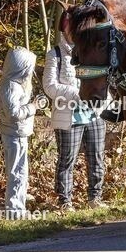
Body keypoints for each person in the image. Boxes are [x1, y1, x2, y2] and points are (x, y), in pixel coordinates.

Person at [43, 12, 106, 211]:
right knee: (67, 157)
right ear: (65, 30)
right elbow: (49, 86)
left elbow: (103, 78)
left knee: (96, 155)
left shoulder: (90, 49)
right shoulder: (56, 54)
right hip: (68, 115)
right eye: (72, 29)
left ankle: (95, 197)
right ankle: (65, 200)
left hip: (93, 113)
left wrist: (103, 102)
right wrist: (76, 93)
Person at [0, 47, 38, 219]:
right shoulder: (11, 87)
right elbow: (14, 114)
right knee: (17, 173)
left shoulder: (14, 85)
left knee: (21, 172)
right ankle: (14, 209)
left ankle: (17, 206)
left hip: (18, 133)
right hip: (15, 134)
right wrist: (32, 108)